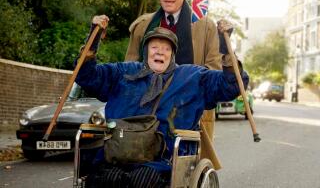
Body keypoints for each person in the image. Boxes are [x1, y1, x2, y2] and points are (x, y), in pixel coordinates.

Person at [75, 16, 249, 187]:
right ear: (146, 51)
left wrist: (226, 49)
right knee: (102, 179)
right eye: (154, 47)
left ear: (172, 55)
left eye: (166, 49)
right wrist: (94, 37)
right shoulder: (124, 72)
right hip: (117, 154)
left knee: (142, 179)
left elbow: (231, 86)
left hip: (163, 160)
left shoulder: (192, 77)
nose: (160, 51)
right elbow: (86, 76)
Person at [125, 0, 221, 148]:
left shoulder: (205, 27)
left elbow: (213, 69)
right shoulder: (143, 25)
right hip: (145, 109)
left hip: (189, 106)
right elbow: (129, 68)